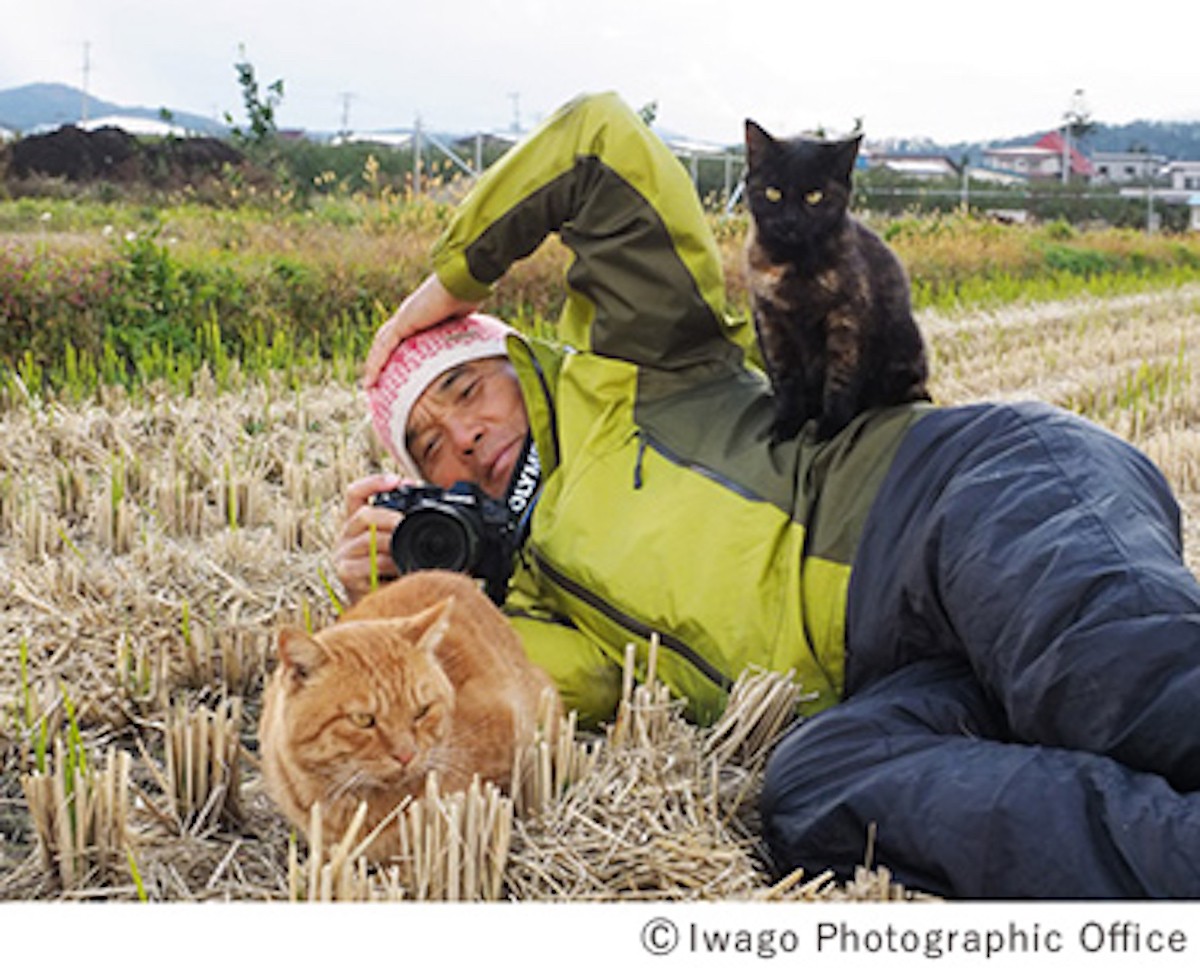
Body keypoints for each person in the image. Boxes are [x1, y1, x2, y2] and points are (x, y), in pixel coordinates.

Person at [333, 91, 1200, 899]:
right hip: (889, 671)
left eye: (466, 389)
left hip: (958, 501)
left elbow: (600, 138)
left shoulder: (632, 366)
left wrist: (452, 279)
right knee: (816, 791)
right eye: (428, 446)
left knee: (1117, 690)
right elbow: (575, 691)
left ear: (515, 360)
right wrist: (401, 615)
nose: (465, 435)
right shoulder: (524, 594)